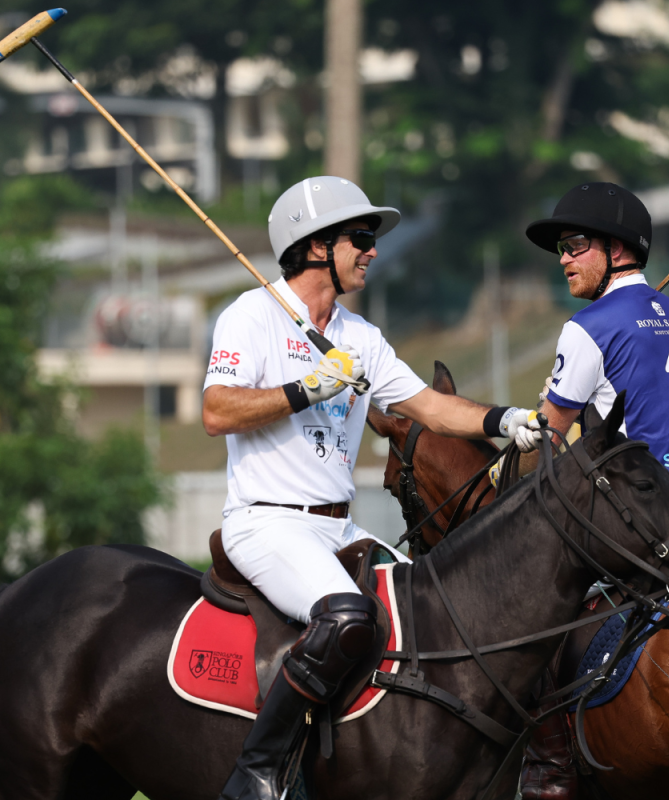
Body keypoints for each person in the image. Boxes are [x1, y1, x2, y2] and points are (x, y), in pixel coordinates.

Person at [203, 176, 543, 800]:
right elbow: (216, 412)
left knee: (432, 606)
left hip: (338, 527)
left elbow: (430, 410)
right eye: (360, 238)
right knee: (347, 616)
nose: (373, 251)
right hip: (266, 522)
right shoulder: (250, 315)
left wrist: (508, 420)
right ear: (314, 247)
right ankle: (257, 773)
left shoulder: (361, 337)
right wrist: (305, 389)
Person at [515, 182, 669, 800]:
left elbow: (550, 438)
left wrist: (541, 412)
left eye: (576, 245)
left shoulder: (589, 327)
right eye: (561, 248)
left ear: (615, 250)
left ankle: (550, 764)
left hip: (648, 527)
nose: (564, 259)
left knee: (532, 620)